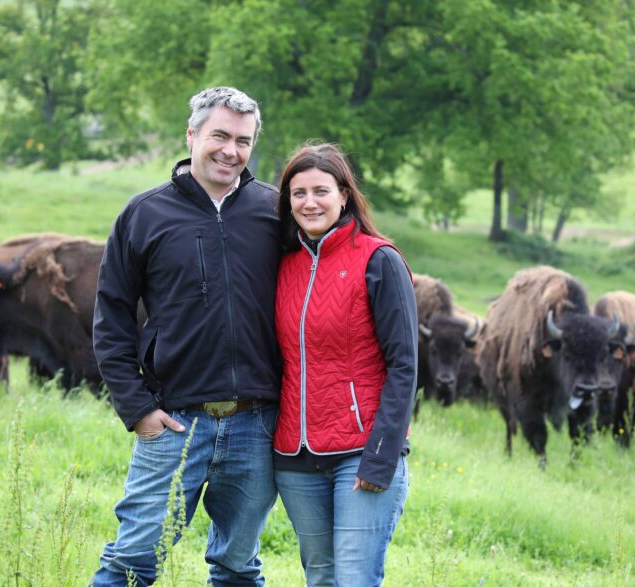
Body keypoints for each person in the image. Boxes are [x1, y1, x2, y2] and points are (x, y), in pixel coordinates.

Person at [90, 87, 282, 587]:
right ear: (192, 134)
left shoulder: (274, 213)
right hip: (174, 422)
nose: (230, 150)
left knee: (239, 568)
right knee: (131, 562)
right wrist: (136, 408)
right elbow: (110, 316)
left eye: (243, 140)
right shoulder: (144, 214)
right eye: (219, 135)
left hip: (257, 425)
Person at [272, 143, 418, 586]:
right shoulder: (283, 264)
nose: (309, 202)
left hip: (362, 452)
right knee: (320, 577)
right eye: (298, 193)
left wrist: (381, 456)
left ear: (344, 196)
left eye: (321, 190)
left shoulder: (379, 260)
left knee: (354, 579)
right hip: (295, 459)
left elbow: (405, 366)